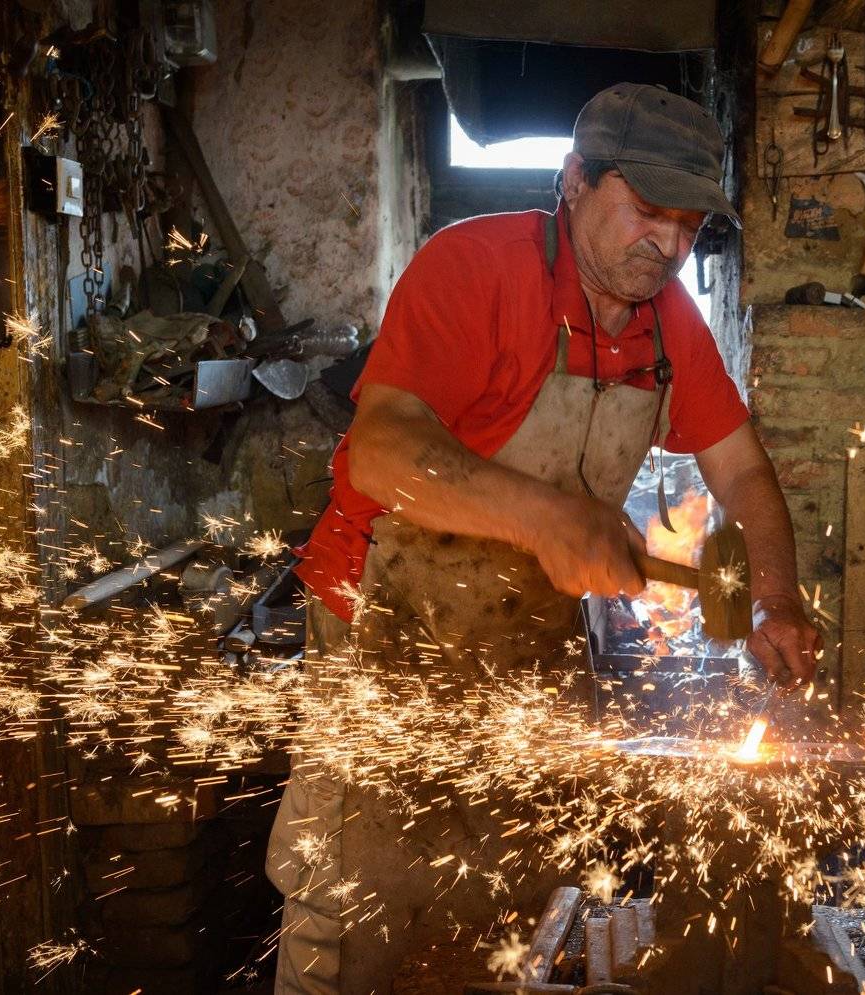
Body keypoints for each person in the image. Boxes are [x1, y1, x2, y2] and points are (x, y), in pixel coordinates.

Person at [266, 82, 822, 994]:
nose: (668, 245)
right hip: (390, 642)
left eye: (688, 226)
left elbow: (744, 472)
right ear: (574, 180)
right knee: (360, 911)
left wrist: (774, 598)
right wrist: (548, 517)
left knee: (504, 913)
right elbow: (381, 450)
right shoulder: (476, 267)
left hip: (525, 656)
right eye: (648, 210)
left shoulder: (668, 325)